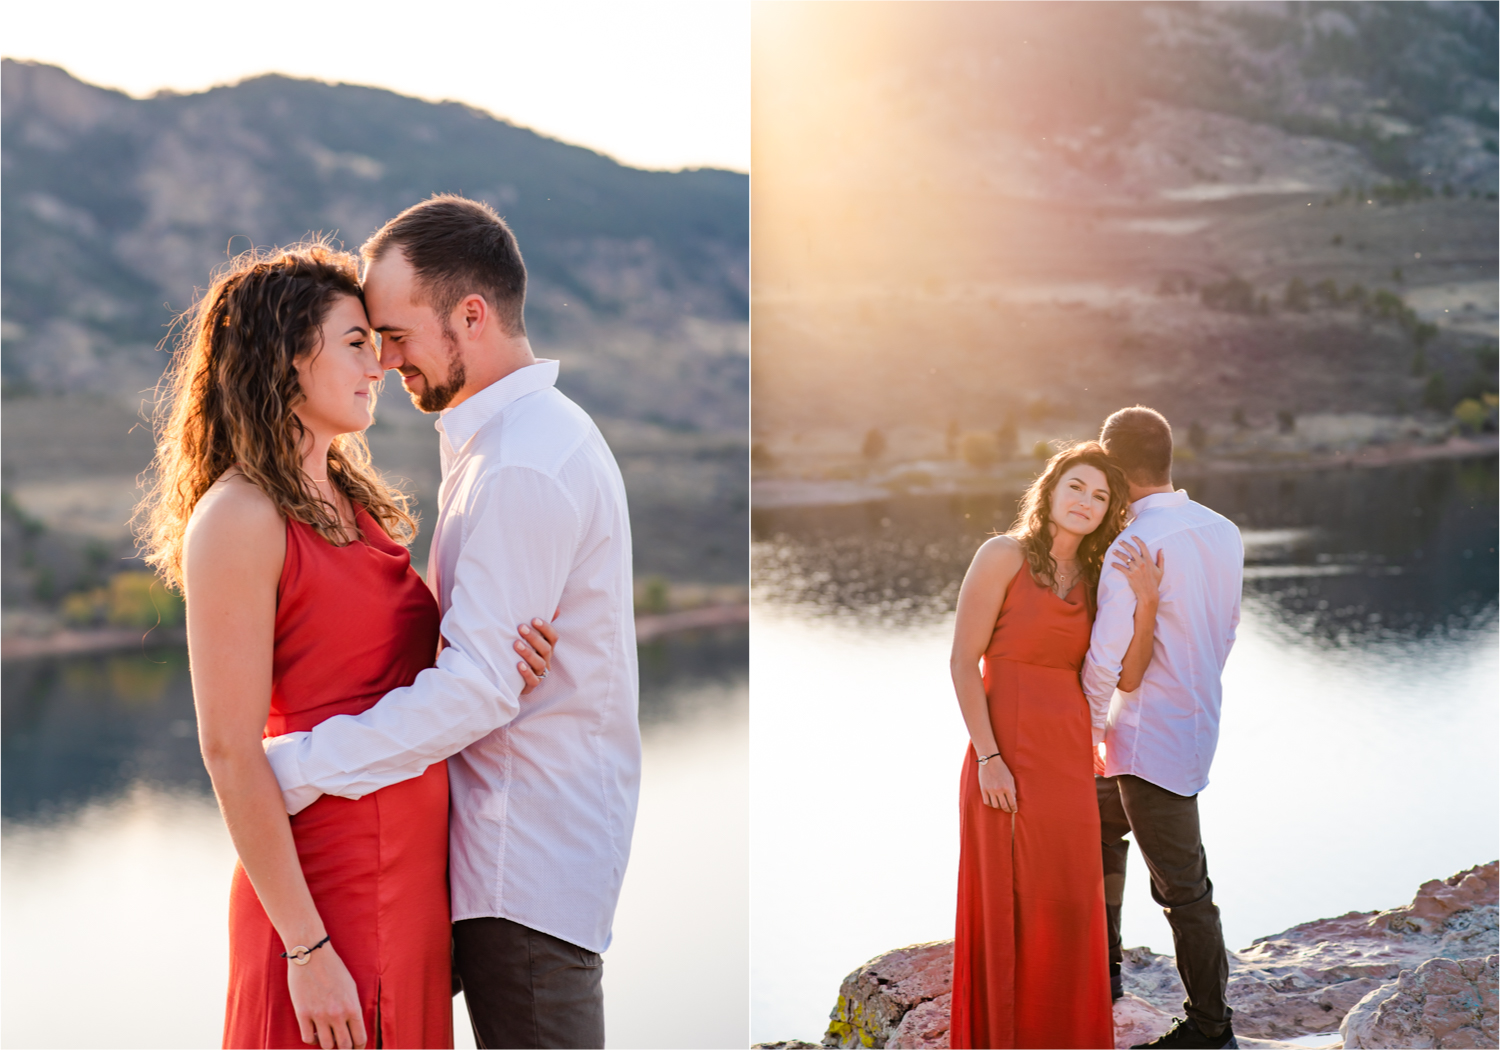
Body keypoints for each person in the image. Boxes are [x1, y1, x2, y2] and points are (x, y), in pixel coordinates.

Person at [135, 242, 556, 1050]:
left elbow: (406, 674)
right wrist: (306, 946)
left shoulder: (350, 500)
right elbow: (229, 750)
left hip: (411, 889)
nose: (382, 363)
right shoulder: (239, 518)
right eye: (358, 341)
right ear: (289, 357)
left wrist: (506, 661)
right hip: (319, 891)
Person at [262, 195, 642, 1050]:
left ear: (470, 315)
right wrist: (485, 658)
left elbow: (474, 692)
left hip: (521, 867)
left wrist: (297, 768)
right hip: (480, 857)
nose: (384, 358)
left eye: (393, 333)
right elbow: (483, 668)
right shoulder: (503, 444)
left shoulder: (521, 463)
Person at [948, 441, 1165, 1050]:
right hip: (1005, 754)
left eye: (1101, 497)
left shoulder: (1099, 580)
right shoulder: (1002, 555)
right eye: (1077, 486)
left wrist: (1146, 603)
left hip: (1070, 760)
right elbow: (964, 663)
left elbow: (1128, 676)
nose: (1086, 502)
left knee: (1070, 900)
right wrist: (989, 759)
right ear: (1050, 489)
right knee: (1008, 902)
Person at [1084, 406, 1244, 1050]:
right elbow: (1226, 632)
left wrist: (1085, 735)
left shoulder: (1132, 545)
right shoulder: (1222, 529)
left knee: (1184, 892)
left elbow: (1103, 660)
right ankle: (1106, 973)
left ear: (1114, 471)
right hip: (1189, 723)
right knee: (1101, 834)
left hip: (1144, 738)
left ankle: (1212, 1030)